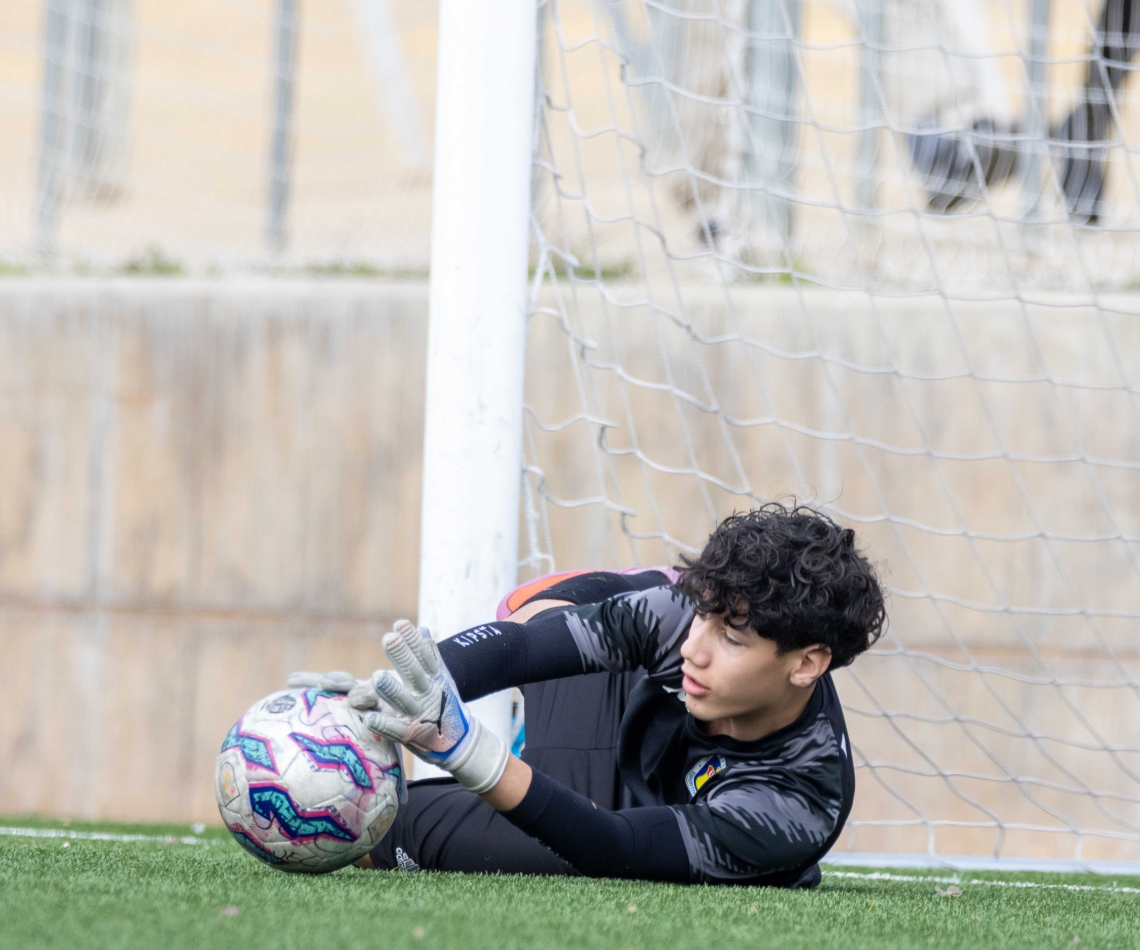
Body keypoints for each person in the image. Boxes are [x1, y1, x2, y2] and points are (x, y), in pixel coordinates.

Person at [290, 503, 886, 886]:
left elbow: (616, 848)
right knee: (534, 615)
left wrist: (467, 751)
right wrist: (411, 687)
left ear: (808, 663)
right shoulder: (687, 620)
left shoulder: (798, 804)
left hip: (629, 827)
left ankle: (536, 761)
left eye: (729, 639)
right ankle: (550, 741)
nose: (694, 649)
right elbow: (519, 650)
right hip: (615, 714)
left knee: (396, 825)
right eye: (701, 616)